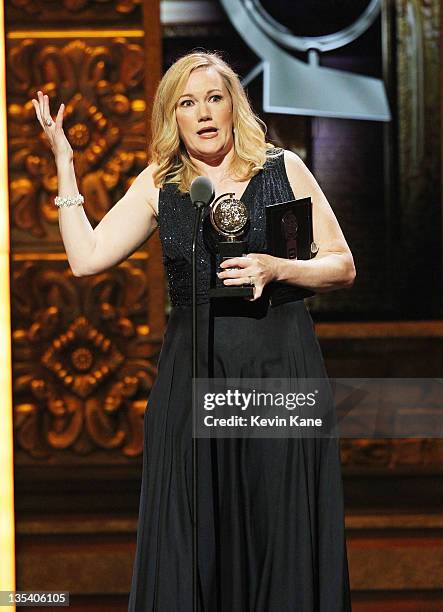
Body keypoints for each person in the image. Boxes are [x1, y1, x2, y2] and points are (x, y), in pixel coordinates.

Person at [33, 50, 355, 611]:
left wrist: (278, 267)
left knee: (277, 526)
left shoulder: (282, 169)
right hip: (194, 372)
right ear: (171, 116)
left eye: (214, 98)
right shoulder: (162, 184)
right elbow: (86, 259)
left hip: (278, 368)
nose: (203, 113)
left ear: (234, 105)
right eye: (187, 102)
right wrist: (65, 165)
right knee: (195, 528)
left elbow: (341, 265)